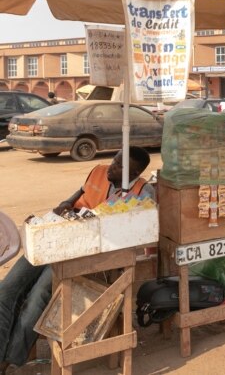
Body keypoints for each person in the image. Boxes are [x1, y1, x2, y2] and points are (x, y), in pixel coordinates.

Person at [0, 147, 153, 374]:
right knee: (7, 289)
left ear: (135, 172)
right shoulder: (99, 172)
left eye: (120, 166)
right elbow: (75, 196)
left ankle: (10, 359)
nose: (112, 166)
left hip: (85, 254)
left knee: (38, 296)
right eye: (115, 160)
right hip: (56, 235)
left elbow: (141, 231)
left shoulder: (143, 192)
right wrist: (65, 205)